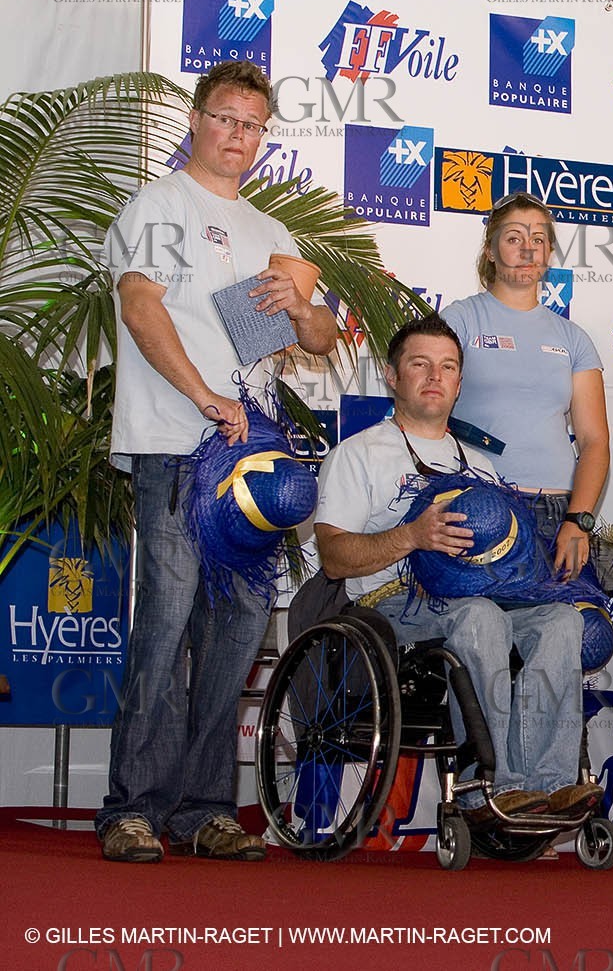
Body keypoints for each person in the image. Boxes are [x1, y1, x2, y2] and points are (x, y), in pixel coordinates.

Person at [97, 60, 338, 863]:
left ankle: (203, 807)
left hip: (252, 460)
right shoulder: (158, 205)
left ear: (264, 138)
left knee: (235, 632)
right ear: (197, 122)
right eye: (226, 118)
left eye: (253, 125)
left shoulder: (275, 234)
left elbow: (316, 341)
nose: (239, 135)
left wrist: (304, 309)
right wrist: (202, 394)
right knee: (165, 624)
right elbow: (139, 306)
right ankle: (132, 806)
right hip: (176, 443)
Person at [314, 315, 596, 825]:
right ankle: (488, 783)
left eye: (447, 367)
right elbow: (334, 557)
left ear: (460, 383)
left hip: (482, 601)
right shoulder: (358, 456)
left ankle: (550, 784)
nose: (434, 377)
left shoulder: (479, 465)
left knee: (562, 621)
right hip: (391, 606)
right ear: (392, 375)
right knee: (480, 616)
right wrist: (412, 536)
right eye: (419, 364)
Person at [439, 193, 609, 575]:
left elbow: (595, 441)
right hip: (481, 506)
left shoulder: (573, 338)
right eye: (514, 238)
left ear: (549, 253)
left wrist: (578, 521)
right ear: (490, 251)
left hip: (558, 514)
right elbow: (426, 408)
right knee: (485, 627)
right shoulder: (460, 319)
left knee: (570, 630)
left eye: (538, 240)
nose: (528, 249)